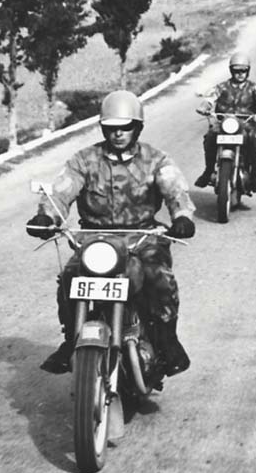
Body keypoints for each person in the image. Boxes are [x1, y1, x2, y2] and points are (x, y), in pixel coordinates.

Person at [26, 90, 196, 376]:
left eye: (125, 127)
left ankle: (168, 340)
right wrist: (47, 215)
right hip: (95, 241)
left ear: (136, 127)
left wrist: (182, 216)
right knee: (69, 277)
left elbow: (174, 188)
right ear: (104, 128)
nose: (118, 134)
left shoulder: (155, 159)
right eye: (112, 128)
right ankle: (71, 340)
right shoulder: (85, 160)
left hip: (143, 238)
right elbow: (63, 190)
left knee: (160, 279)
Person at [194, 52, 256, 192]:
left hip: (246, 123)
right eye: (237, 71)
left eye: (243, 70)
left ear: (247, 71)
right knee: (210, 137)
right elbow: (210, 98)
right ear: (231, 71)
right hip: (224, 123)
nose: (240, 74)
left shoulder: (254, 87)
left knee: (255, 139)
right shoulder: (221, 87)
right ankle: (208, 170)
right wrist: (204, 106)